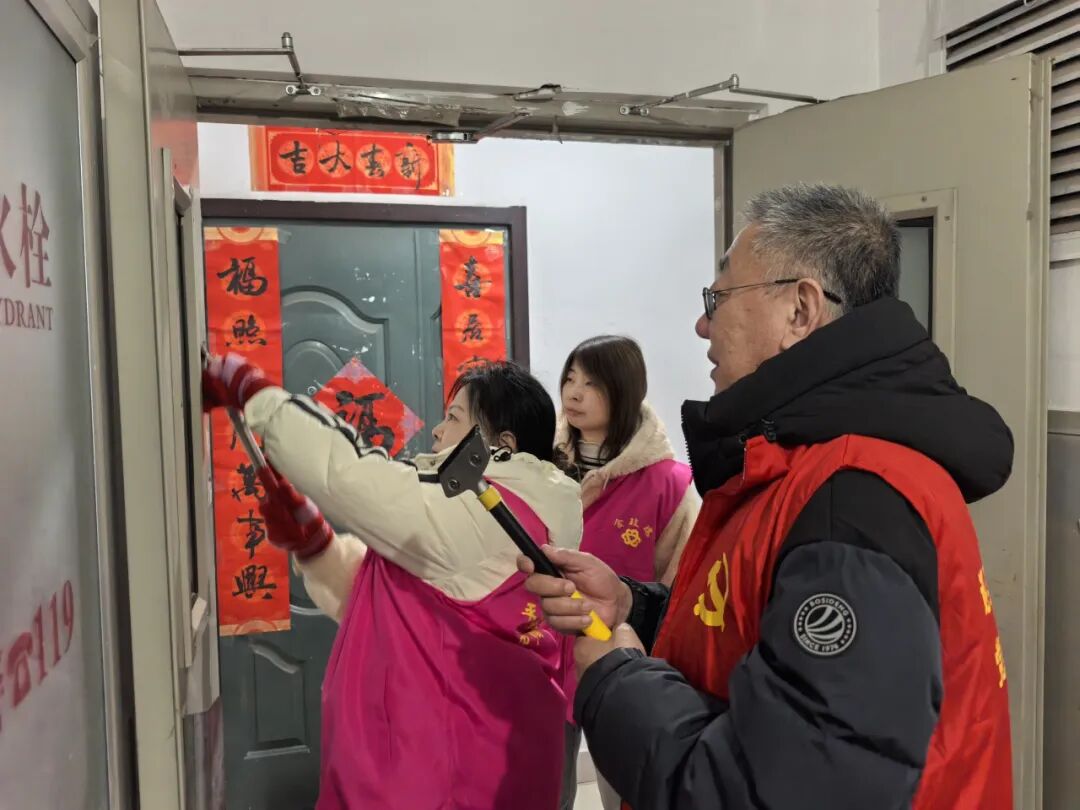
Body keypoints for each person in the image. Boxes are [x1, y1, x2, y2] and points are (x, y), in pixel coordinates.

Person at [521, 184, 1014, 809]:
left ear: (799, 311)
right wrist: (635, 609)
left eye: (719, 298)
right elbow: (761, 633)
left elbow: (776, 792)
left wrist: (613, 678)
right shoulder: (806, 462)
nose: (702, 324)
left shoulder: (853, 499)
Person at [203, 357, 582, 810]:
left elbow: (350, 474)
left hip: (444, 781)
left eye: (454, 418)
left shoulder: (491, 513)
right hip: (442, 765)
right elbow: (402, 602)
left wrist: (256, 393)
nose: (437, 431)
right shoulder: (501, 519)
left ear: (501, 445)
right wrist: (317, 546)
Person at [554, 335, 698, 810]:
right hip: (540, 654)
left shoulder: (668, 484)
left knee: (625, 793)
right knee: (543, 788)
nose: (573, 393)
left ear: (625, 390)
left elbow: (684, 587)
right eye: (570, 379)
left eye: (591, 383)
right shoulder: (542, 468)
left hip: (620, 664)